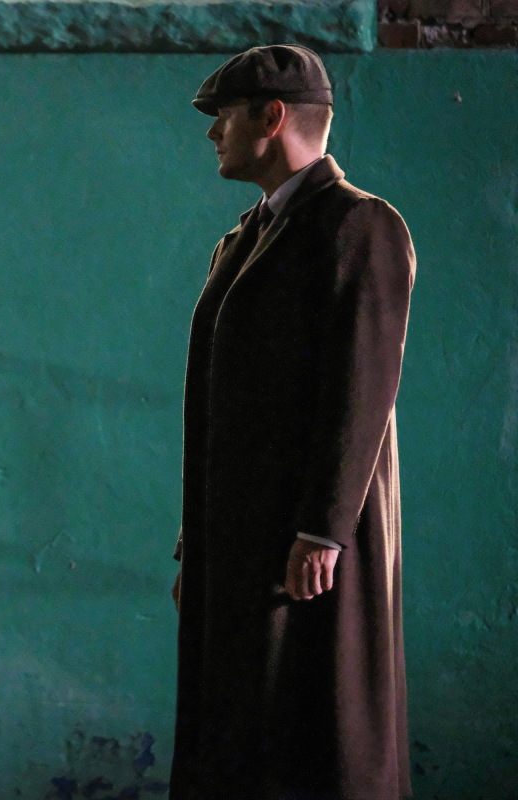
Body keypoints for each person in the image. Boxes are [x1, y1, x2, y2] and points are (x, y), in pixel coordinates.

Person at [170, 46, 415, 800]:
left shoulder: (358, 224)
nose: (213, 133)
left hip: (309, 541)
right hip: (240, 540)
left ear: (272, 116)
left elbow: (362, 385)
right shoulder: (243, 238)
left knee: (320, 735)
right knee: (240, 736)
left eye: (225, 117)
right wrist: (196, 541)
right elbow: (224, 405)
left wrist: (323, 530)